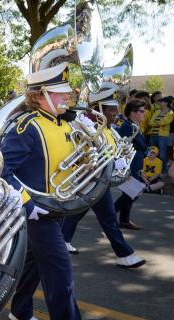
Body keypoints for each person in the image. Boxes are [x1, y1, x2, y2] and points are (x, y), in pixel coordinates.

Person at [0, 62, 86, 320]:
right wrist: (27, 202)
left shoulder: (62, 123)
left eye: (65, 92)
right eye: (59, 93)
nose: (66, 97)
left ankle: (21, 310)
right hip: (38, 215)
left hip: (59, 209)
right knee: (62, 278)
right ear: (39, 95)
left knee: (35, 263)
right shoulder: (27, 127)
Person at [61, 85, 146, 268]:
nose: (115, 113)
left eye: (116, 109)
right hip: (91, 180)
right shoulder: (86, 127)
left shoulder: (109, 129)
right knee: (109, 220)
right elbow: (84, 154)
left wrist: (120, 160)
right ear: (98, 109)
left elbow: (114, 151)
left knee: (77, 213)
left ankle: (63, 240)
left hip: (100, 180)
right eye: (111, 109)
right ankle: (125, 254)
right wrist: (112, 163)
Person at [114, 99, 149, 230]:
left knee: (129, 193)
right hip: (129, 165)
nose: (144, 114)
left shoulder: (134, 126)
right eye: (141, 111)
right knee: (133, 192)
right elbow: (120, 147)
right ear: (133, 113)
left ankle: (124, 220)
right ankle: (110, 215)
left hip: (135, 164)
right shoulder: (128, 126)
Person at [148, 96, 174, 173]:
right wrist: (158, 122)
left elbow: (164, 122)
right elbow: (150, 123)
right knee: (152, 153)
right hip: (153, 134)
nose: (160, 103)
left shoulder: (170, 112)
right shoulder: (157, 111)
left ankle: (164, 171)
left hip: (163, 136)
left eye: (162, 101)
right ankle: (154, 171)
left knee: (162, 154)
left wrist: (156, 121)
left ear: (166, 103)